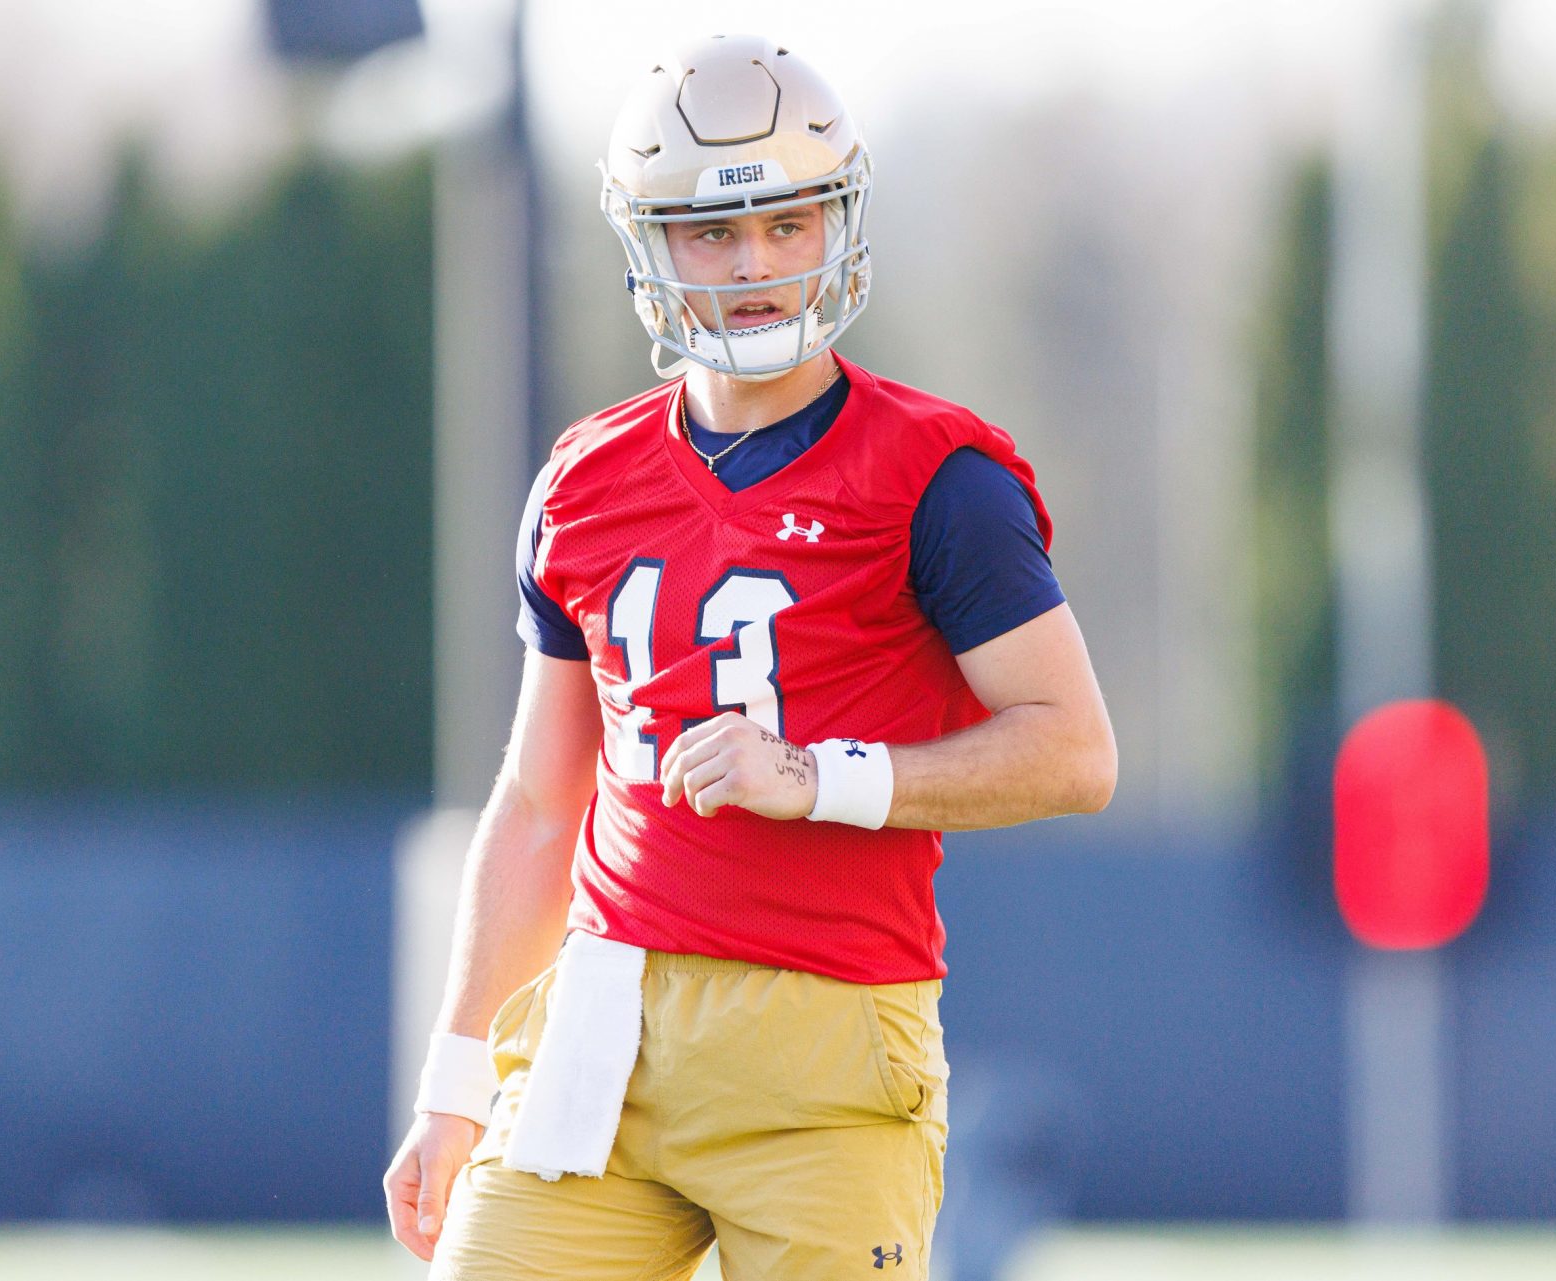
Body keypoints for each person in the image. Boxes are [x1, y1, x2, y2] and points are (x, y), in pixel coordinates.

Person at [384, 33, 1116, 1281]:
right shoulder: (583, 481)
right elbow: (540, 799)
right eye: (712, 234)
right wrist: (452, 1084)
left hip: (826, 1037)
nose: (758, 264)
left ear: (839, 225)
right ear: (648, 245)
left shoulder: (937, 477)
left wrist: (824, 777)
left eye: (788, 223)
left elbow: (1075, 751)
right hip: (602, 1029)